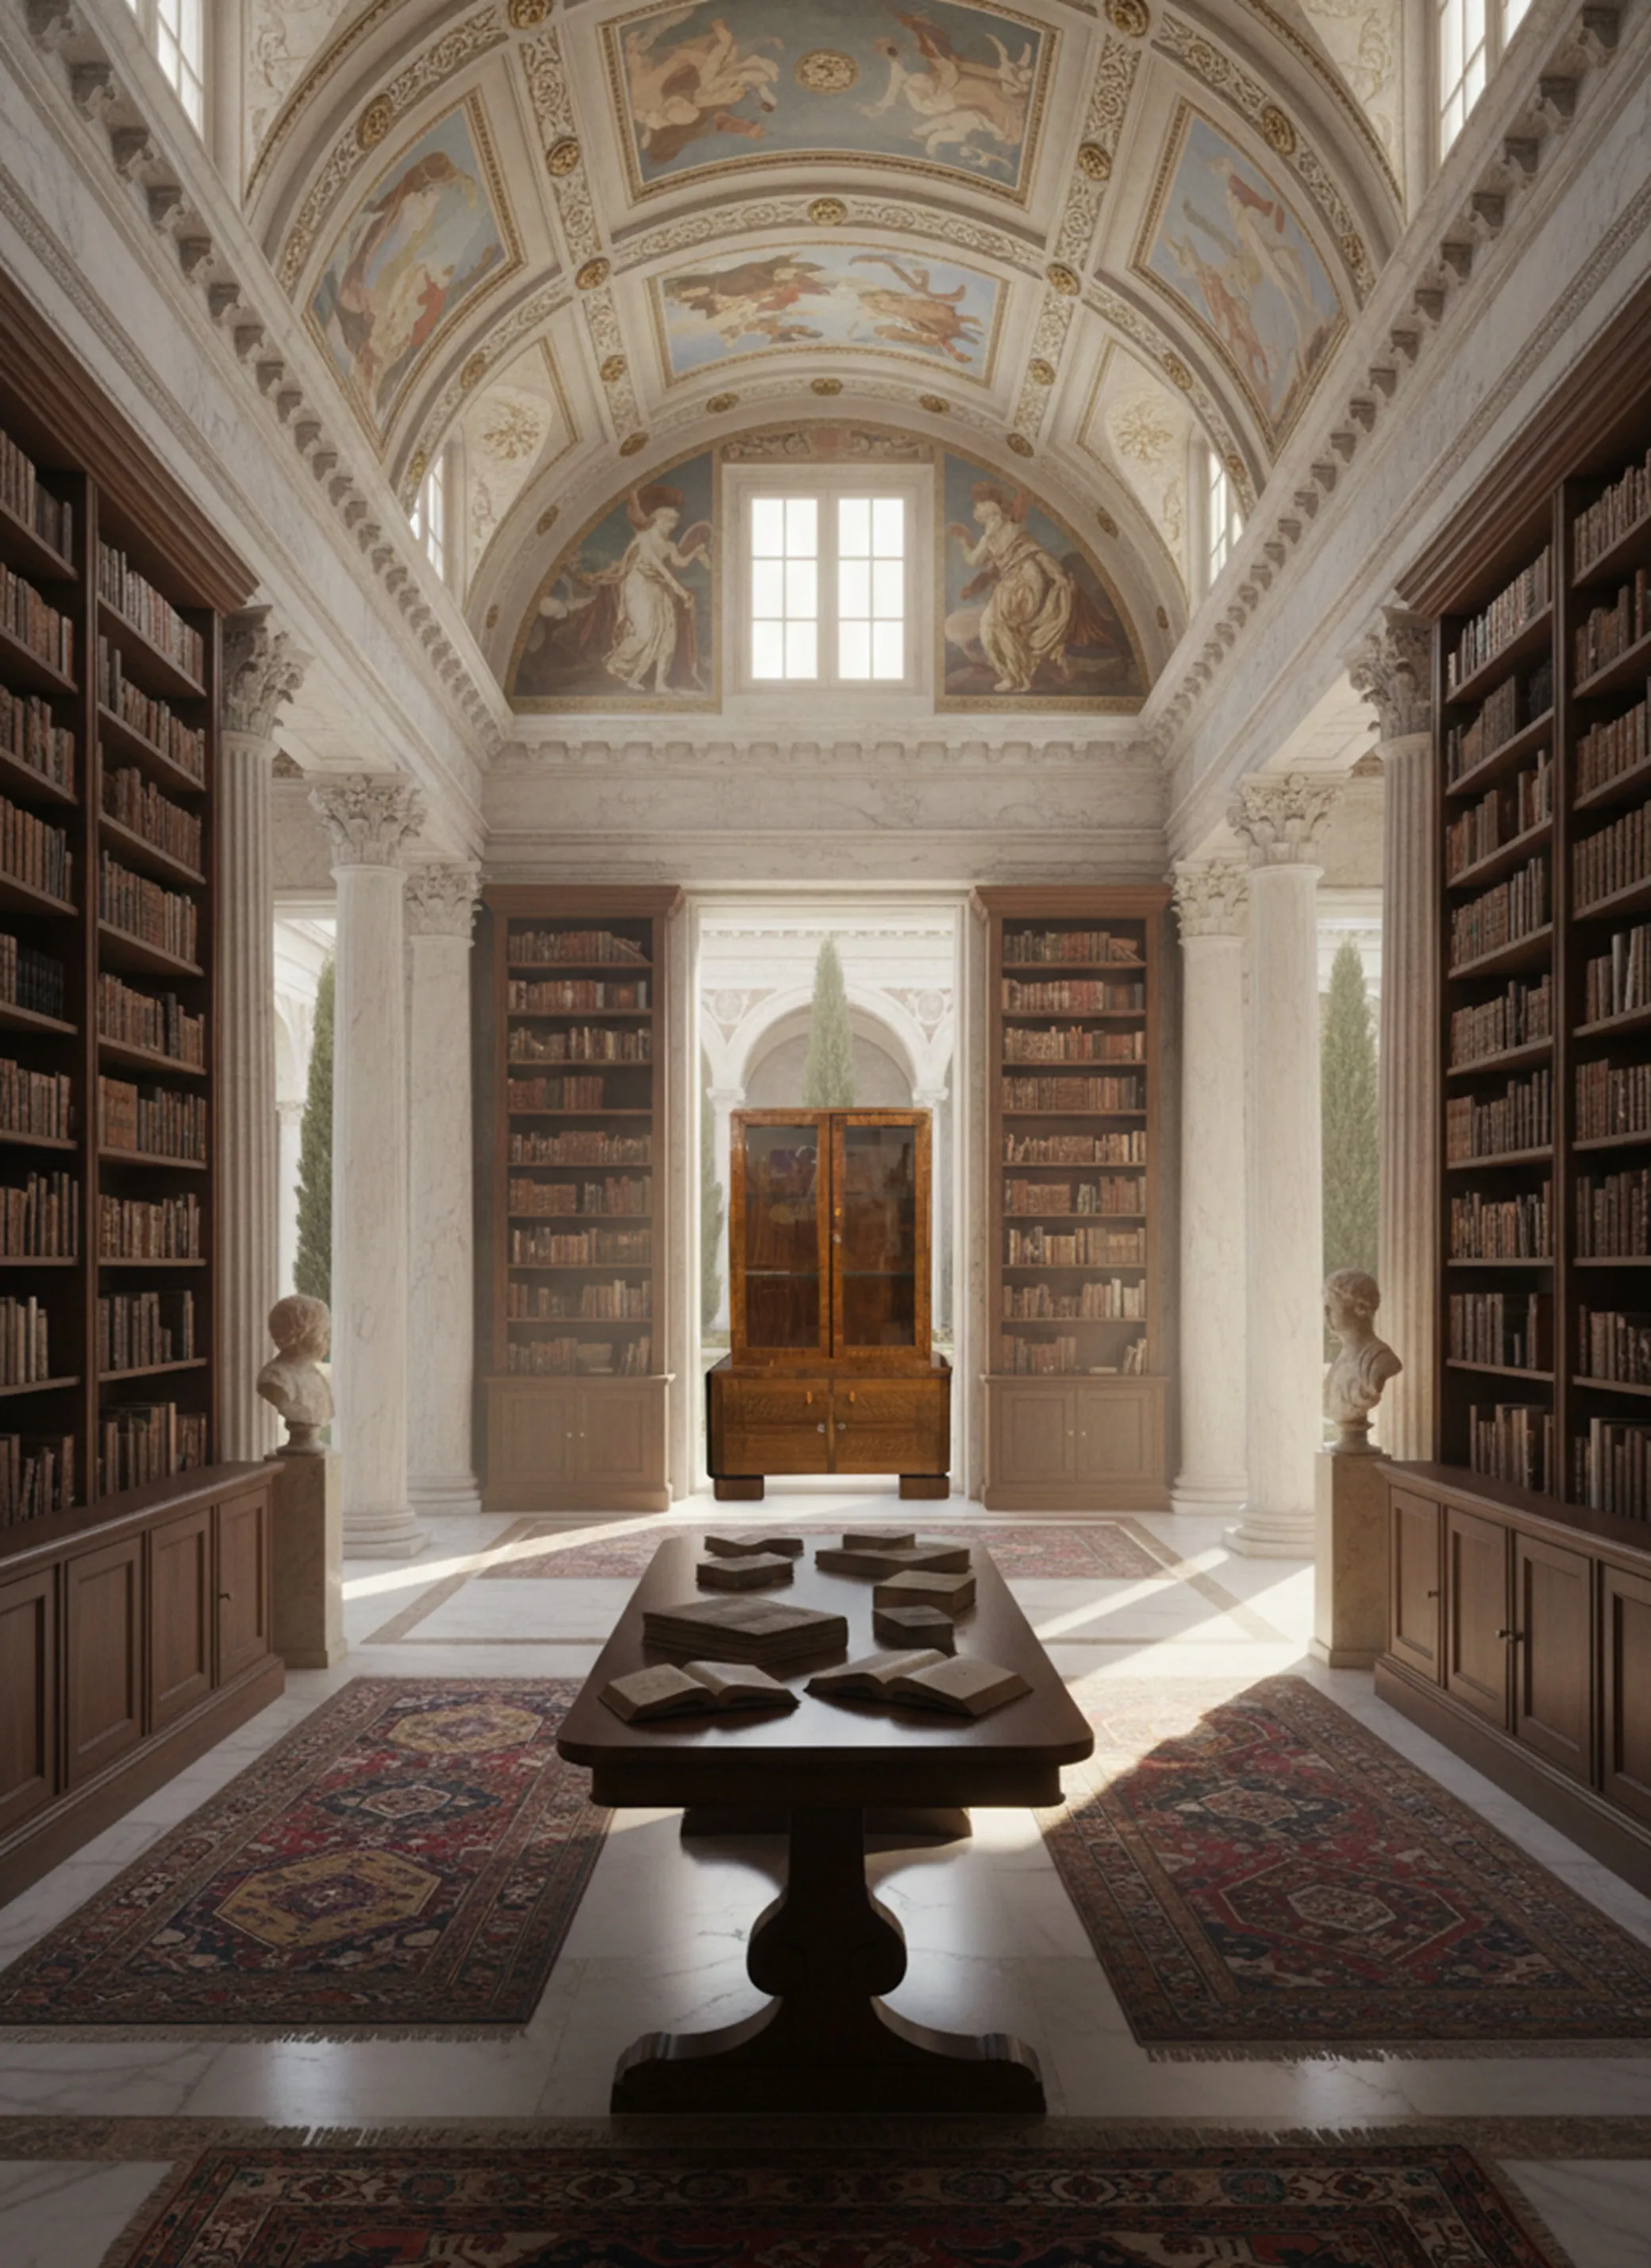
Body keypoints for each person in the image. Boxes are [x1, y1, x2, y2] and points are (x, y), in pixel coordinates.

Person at [1322, 1269, 1402, 1452]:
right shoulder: (1343, 1358)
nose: (1326, 1315)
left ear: (1361, 1309)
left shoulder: (1380, 1361)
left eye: (1332, 1307)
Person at [257, 1294, 334, 1454]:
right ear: (301, 1334)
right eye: (322, 1334)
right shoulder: (276, 1377)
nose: (327, 1340)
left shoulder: (316, 1376)